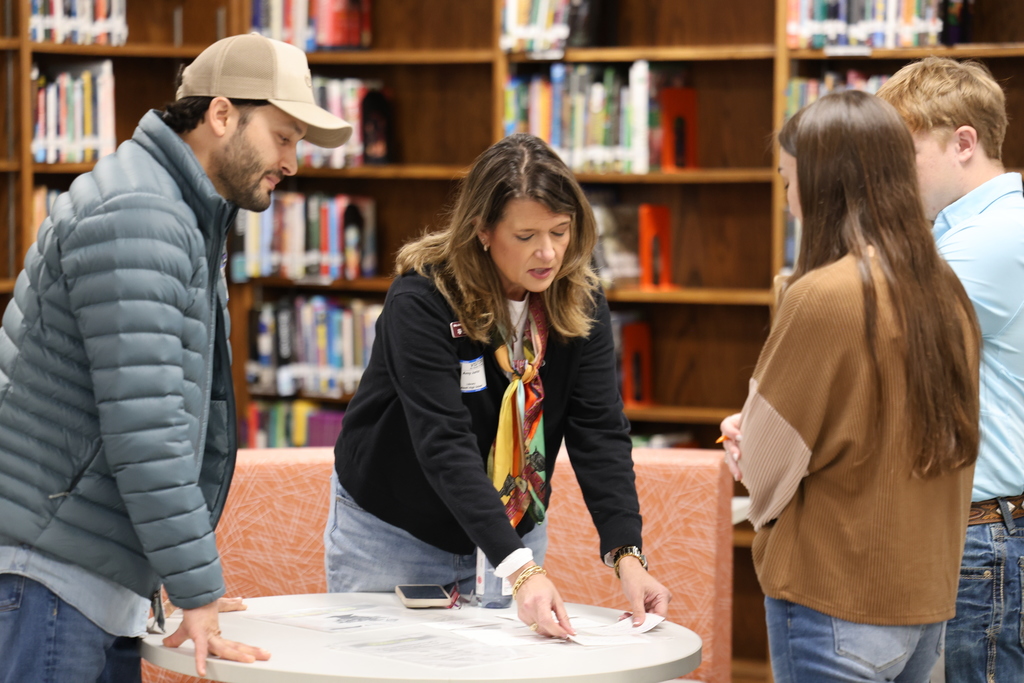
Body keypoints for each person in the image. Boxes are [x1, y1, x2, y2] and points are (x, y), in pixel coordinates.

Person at [0, 33, 351, 682]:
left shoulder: (179, 210)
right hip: (53, 576)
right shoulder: (142, 213)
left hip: (85, 574)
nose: (292, 161)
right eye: (283, 135)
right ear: (222, 115)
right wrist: (195, 584)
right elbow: (148, 429)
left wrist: (187, 579)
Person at [325, 133, 671, 637]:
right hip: (398, 532)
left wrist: (627, 555)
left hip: (513, 529)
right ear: (482, 231)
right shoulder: (422, 300)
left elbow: (599, 431)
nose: (548, 252)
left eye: (560, 230)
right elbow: (443, 444)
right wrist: (521, 567)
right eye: (526, 235)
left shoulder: (579, 296)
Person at [719, 91, 981, 682]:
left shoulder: (822, 297)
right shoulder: (944, 290)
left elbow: (764, 470)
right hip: (923, 601)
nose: (788, 203)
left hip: (836, 597)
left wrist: (745, 444)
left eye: (789, 182)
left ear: (822, 184)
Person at [877, 57, 1024, 682]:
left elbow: (859, 333)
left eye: (901, 155)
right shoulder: (967, 232)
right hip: (974, 531)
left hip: (984, 535)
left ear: (964, 141)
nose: (888, 177)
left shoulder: (993, 238)